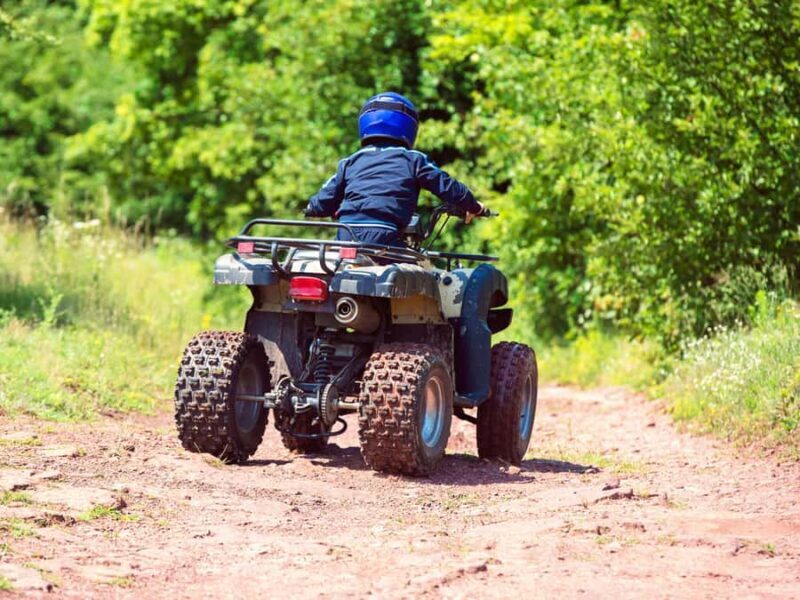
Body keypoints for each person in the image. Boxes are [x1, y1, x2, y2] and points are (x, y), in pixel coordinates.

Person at [304, 92, 487, 248]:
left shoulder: (350, 162)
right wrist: (474, 207)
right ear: (409, 126)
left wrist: (312, 207)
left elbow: (320, 204)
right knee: (423, 271)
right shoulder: (413, 159)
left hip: (345, 237)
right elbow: (449, 187)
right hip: (385, 237)